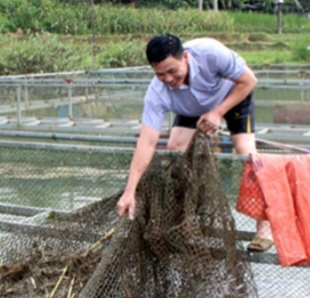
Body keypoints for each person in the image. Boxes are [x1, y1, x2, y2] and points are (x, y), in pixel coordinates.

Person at [115, 34, 273, 252]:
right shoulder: (156, 92)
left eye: (172, 71)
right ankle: (182, 218)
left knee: (247, 155)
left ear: (185, 57)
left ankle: (264, 227)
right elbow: (147, 143)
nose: (168, 79)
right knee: (175, 151)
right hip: (189, 108)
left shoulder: (211, 53)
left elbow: (249, 80)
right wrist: (129, 190)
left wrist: (217, 112)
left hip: (232, 97)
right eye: (160, 74)